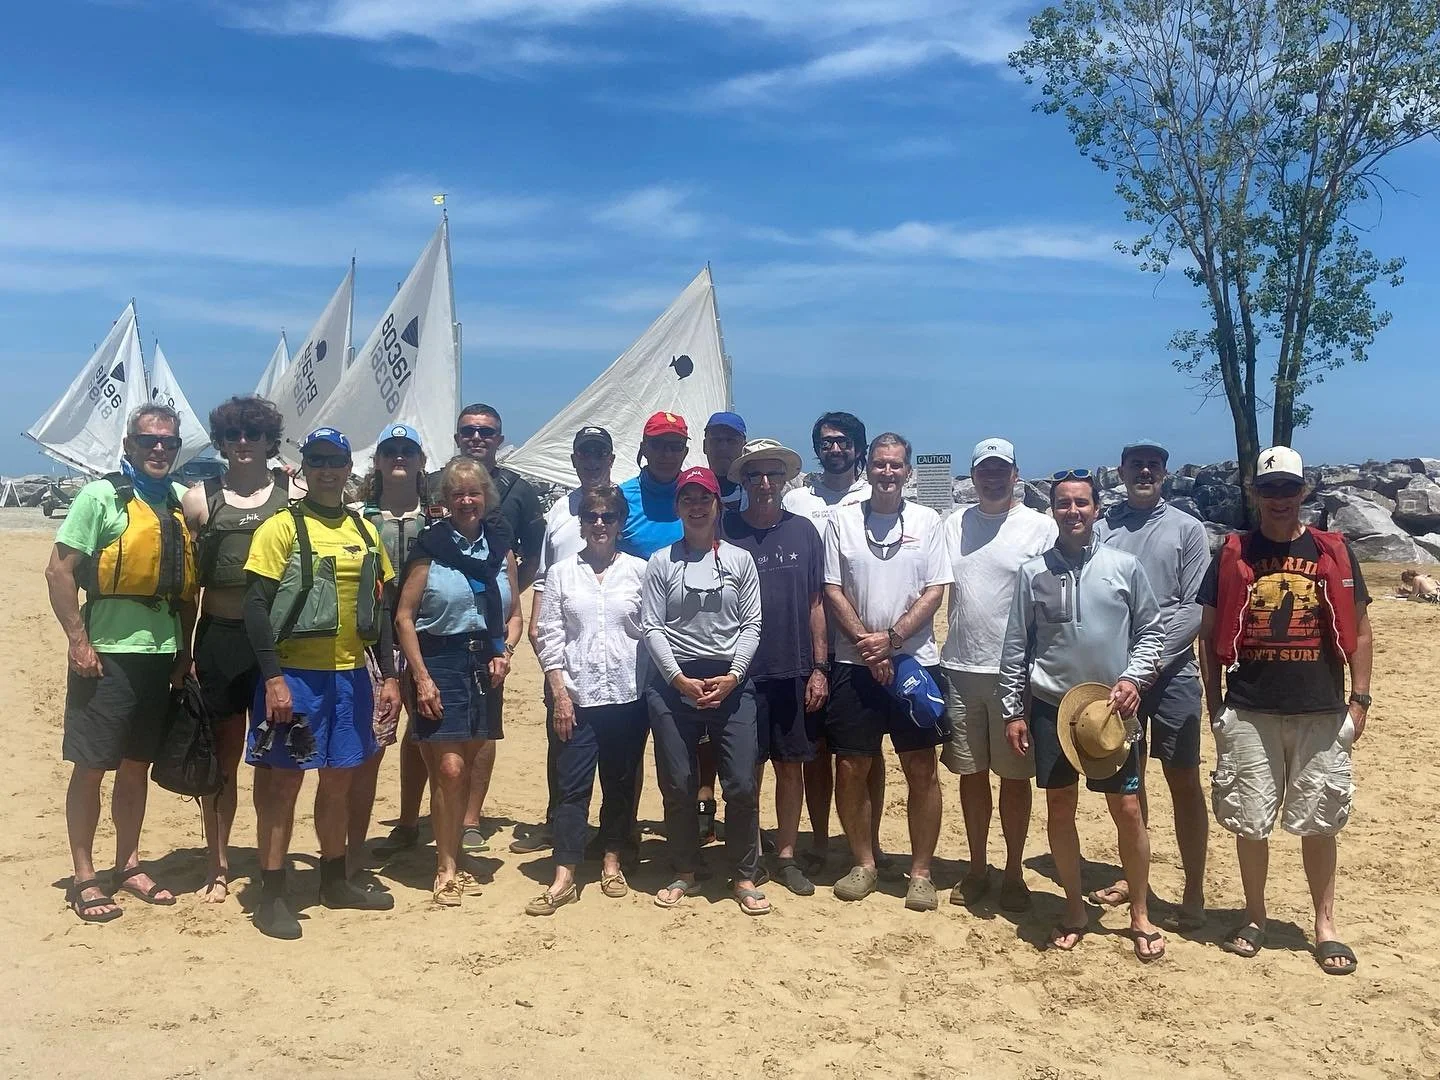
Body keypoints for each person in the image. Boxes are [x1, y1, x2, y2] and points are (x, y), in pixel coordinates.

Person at [1197, 446, 1372, 975]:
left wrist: (1360, 699)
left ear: (1304, 491)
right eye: (1268, 489)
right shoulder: (1232, 553)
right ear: (1255, 493)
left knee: (1321, 822)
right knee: (1250, 822)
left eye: (1287, 489)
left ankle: (1324, 926)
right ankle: (1255, 916)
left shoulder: (1332, 553)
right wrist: (1214, 703)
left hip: (1320, 707)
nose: (1278, 499)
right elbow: (1208, 637)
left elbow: (1361, 630)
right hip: (1249, 708)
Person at [999, 469, 1166, 960]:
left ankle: (1139, 912)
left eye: (1082, 503)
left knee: (1129, 810)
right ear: (1053, 510)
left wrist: (1134, 678)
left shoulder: (1124, 566)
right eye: (1064, 504)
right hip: (1053, 709)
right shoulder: (1033, 574)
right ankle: (1074, 907)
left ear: (1097, 508)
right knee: (1059, 808)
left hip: (1113, 711)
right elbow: (1016, 647)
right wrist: (1014, 711)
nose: (1073, 511)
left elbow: (1150, 633)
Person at [242, 427, 401, 939]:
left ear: (348, 468)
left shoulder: (364, 530)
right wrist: (273, 679)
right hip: (296, 677)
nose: (327, 470)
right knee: (283, 785)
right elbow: (255, 608)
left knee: (339, 781)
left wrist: (390, 675)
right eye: (317, 461)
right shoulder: (280, 528)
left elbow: (380, 608)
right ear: (303, 468)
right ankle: (272, 893)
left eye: (335, 461)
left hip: (351, 676)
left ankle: (333, 880)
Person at [47, 403, 197, 921]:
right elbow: (59, 572)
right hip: (106, 656)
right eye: (148, 440)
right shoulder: (99, 496)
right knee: (92, 767)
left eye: (169, 443)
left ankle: (127, 863)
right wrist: (77, 640)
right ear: (129, 445)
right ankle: (86, 877)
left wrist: (184, 652)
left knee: (136, 766)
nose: (159, 449)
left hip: (161, 654)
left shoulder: (179, 502)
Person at [822, 432, 951, 911]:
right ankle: (865, 861)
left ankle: (920, 871)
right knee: (853, 765)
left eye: (896, 465)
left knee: (921, 768)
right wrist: (867, 646)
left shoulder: (927, 520)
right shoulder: (842, 520)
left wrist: (892, 642)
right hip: (854, 665)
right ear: (867, 468)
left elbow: (935, 590)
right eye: (879, 464)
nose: (888, 473)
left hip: (915, 664)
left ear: (908, 471)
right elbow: (833, 588)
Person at [1093, 438, 1211, 929]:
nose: (1145, 471)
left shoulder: (1187, 529)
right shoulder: (1103, 528)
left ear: (1165, 473)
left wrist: (1149, 664)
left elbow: (1194, 608)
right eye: (1136, 464)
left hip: (1171, 672)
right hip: (1118, 679)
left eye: (1154, 465)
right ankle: (1133, 876)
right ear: (1120, 471)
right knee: (1128, 780)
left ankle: (1193, 890)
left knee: (1182, 778)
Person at [394, 456, 519, 907]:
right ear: (445, 501)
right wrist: (421, 678)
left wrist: (505, 651)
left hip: (485, 664)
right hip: (438, 661)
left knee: (465, 768)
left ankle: (455, 853)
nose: (467, 500)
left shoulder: (500, 548)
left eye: (474, 493)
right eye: (457, 494)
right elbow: (404, 617)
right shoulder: (429, 547)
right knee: (446, 769)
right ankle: (445, 865)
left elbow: (515, 615)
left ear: (486, 498)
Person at [642, 467, 768, 914]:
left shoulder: (738, 560)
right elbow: (652, 625)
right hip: (675, 681)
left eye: (705, 499)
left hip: (731, 682)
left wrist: (733, 676)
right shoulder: (662, 562)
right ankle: (685, 869)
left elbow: (751, 623)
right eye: (688, 499)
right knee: (678, 782)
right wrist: (678, 679)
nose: (696, 507)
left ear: (718, 505)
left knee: (740, 783)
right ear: (678, 507)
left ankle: (745, 872)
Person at [939, 438, 1056, 911]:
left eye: (1000, 469)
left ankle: (1012, 870)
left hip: (1014, 674)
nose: (991, 477)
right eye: (983, 470)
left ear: (1015, 473)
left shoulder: (1040, 528)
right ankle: (975, 866)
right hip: (960, 667)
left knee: (1013, 778)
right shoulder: (953, 524)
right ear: (972, 476)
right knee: (970, 774)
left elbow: (1053, 601)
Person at [182, 395, 290, 903]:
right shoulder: (200, 500)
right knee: (222, 757)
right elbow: (188, 589)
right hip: (220, 639)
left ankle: (271, 858)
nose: (243, 443)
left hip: (273, 648)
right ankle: (218, 861)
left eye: (253, 434)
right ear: (221, 443)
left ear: (271, 440)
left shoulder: (294, 492)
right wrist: (185, 653)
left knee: (272, 759)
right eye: (232, 436)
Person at [528, 484, 649, 914]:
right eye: (592, 516)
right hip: (576, 698)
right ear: (580, 522)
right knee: (571, 787)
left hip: (627, 696)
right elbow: (550, 636)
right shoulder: (561, 573)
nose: (600, 524)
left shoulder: (640, 571)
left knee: (619, 784)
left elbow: (651, 632)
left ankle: (612, 861)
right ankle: (565, 873)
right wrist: (559, 693)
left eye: (609, 517)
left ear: (620, 523)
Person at [722, 439, 828, 895]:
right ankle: (751, 854)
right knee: (747, 769)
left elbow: (816, 602)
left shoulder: (804, 531)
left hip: (793, 668)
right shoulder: (725, 529)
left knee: (791, 765)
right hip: (741, 671)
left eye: (773, 475)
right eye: (754, 475)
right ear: (743, 482)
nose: (764, 483)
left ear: (785, 480)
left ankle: (785, 854)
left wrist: (820, 667)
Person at [519, 426, 618, 857]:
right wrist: (537, 624)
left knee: (615, 747)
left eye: (600, 452)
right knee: (561, 735)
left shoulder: (618, 506)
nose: (592, 460)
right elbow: (544, 574)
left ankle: (614, 831)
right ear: (574, 458)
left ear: (611, 457)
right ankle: (557, 819)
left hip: (609, 641)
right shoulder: (559, 510)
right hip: (564, 641)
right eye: (585, 453)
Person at [782, 411, 873, 867]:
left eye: (842, 442)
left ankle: (868, 841)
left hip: (863, 646)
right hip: (811, 642)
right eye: (825, 442)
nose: (834, 449)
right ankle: (818, 838)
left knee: (864, 752)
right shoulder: (798, 499)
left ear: (859, 447)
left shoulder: (877, 494)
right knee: (814, 749)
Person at [449, 404, 533, 847]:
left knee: (483, 727)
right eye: (469, 430)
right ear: (457, 435)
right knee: (426, 726)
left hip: (490, 631)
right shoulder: (435, 483)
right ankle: (413, 818)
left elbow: (532, 551)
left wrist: (509, 593)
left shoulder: (518, 490)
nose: (477, 437)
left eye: (487, 431)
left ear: (499, 438)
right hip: (438, 623)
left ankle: (470, 819)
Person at [355, 425, 432, 866]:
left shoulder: (436, 518)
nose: (399, 458)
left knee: (422, 735)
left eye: (407, 451)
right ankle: (357, 838)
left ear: (421, 461)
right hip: (373, 642)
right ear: (378, 461)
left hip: (426, 638)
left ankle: (409, 822)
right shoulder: (359, 517)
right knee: (373, 736)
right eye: (390, 451)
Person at [696, 411, 748, 839]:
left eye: (732, 440)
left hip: (743, 624)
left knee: (742, 743)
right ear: (706, 443)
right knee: (701, 741)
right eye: (717, 439)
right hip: (700, 630)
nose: (724, 447)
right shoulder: (693, 491)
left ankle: (741, 821)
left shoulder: (753, 490)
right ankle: (702, 811)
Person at [618, 412, 690, 560]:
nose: (667, 454)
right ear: (643, 449)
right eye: (657, 445)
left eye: (676, 446)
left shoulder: (699, 499)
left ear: (685, 452)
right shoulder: (620, 498)